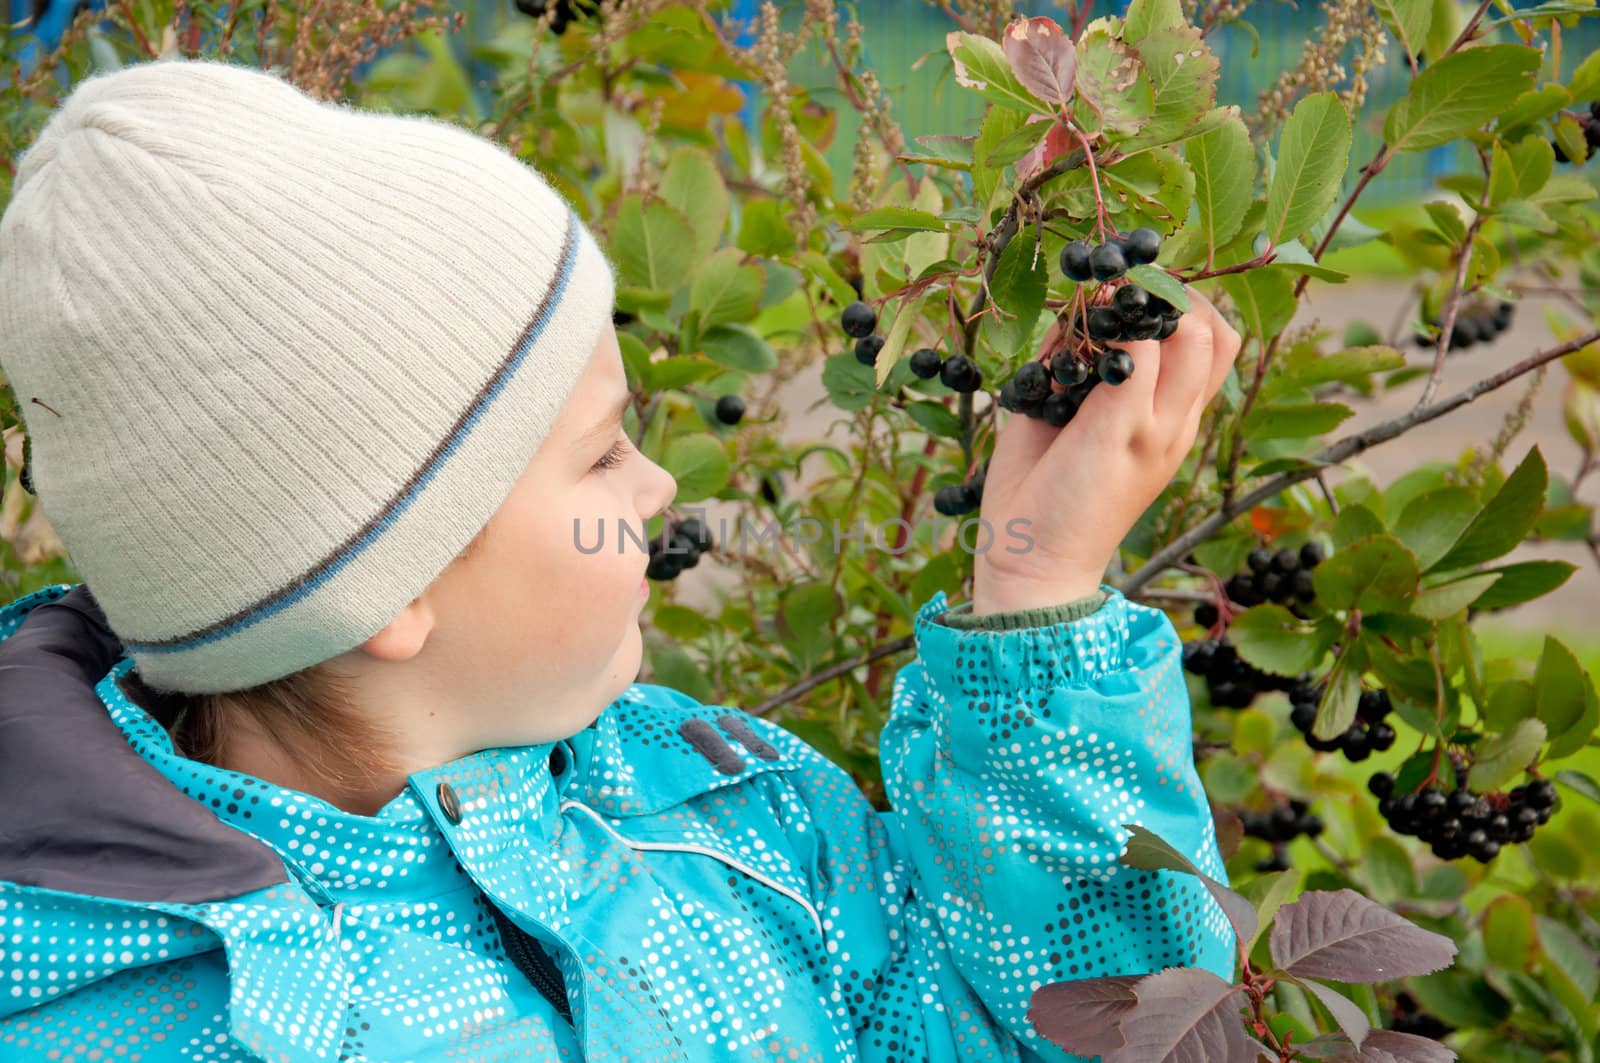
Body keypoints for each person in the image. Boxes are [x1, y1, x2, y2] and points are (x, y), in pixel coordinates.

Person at [0, 57, 1242, 1062]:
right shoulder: (119, 1009)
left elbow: (1051, 1035)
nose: (655, 487)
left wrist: (1034, 585)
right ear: (393, 587)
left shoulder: (728, 815)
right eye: (600, 457)